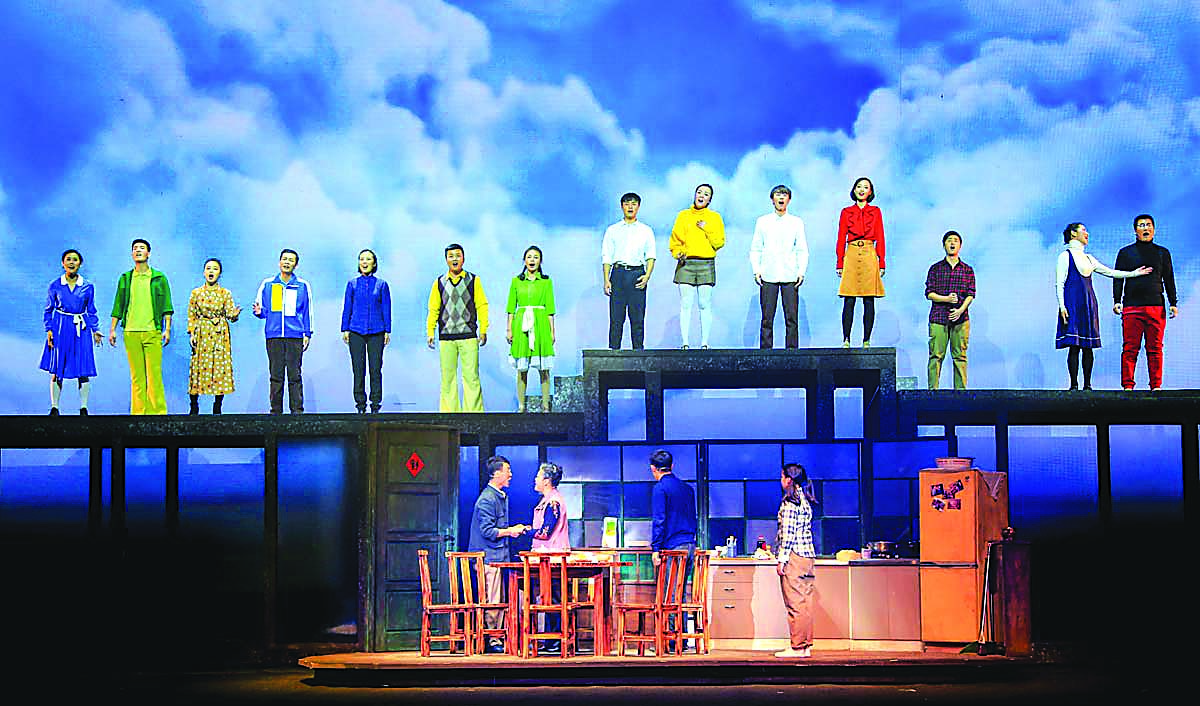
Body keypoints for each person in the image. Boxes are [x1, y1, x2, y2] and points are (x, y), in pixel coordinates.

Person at [1056, 223, 1151, 390]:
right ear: (1073, 234)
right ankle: (1073, 385)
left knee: (1088, 346)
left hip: (1088, 304)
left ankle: (1087, 385)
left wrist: (1134, 273)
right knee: (1074, 346)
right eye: (1083, 230)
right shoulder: (1065, 256)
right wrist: (1062, 306)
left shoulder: (1089, 258)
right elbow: (1060, 283)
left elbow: (1111, 272)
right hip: (1072, 304)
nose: (1087, 233)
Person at [469, 456, 530, 654]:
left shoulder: (500, 496)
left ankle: (500, 636)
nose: (510, 474)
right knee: (493, 599)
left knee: (501, 597)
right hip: (489, 558)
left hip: (499, 557)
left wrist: (513, 529)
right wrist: (509, 531)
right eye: (507, 470)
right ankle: (492, 639)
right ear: (496, 474)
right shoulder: (487, 499)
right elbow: (487, 531)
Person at [1113, 214, 1178, 390]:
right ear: (1135, 231)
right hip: (1131, 306)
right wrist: (1117, 300)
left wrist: (1173, 302)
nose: (1145, 228)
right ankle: (1128, 386)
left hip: (1156, 306)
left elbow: (1169, 278)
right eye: (1141, 225)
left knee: (1155, 348)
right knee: (1130, 348)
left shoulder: (1162, 253)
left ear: (1154, 230)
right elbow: (1118, 277)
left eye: (1148, 225)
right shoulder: (1125, 252)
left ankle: (1156, 386)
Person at [109, 238, 173, 415]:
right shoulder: (126, 278)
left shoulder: (159, 278)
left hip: (152, 331)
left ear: (148, 253)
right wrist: (112, 329)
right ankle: (138, 415)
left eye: (142, 248)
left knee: (154, 375)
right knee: (137, 377)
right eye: (135, 248)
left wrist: (167, 329)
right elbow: (118, 305)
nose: (138, 250)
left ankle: (158, 414)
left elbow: (167, 306)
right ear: (132, 254)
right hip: (130, 332)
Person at [427, 243, 489, 412]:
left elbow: (482, 305)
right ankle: (449, 414)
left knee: (471, 377)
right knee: (448, 378)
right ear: (446, 259)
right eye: (451, 256)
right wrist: (430, 331)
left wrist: (483, 329)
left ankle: (474, 415)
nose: (454, 259)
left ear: (463, 258)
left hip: (469, 336)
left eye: (458, 255)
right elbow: (434, 309)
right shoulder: (439, 282)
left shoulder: (473, 280)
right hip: (446, 337)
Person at [41, 249, 102, 415]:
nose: (71, 262)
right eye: (68, 259)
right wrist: (49, 330)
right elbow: (48, 310)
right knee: (57, 367)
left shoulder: (87, 286)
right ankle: (55, 407)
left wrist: (95, 329)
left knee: (83, 367)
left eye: (75, 259)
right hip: (60, 327)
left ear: (80, 264)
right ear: (63, 263)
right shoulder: (55, 285)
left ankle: (83, 407)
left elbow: (91, 310)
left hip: (81, 329)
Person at [252, 249, 313, 414]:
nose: (287, 262)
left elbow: (307, 311)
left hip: (295, 336)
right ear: (279, 262)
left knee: (295, 375)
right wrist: (259, 312)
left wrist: (307, 333)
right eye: (284, 259)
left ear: (296, 265)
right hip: (274, 336)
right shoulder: (268, 284)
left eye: (291, 260)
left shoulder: (302, 285)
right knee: (276, 375)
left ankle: (297, 411)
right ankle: (276, 411)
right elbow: (262, 309)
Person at [750, 184, 809, 348]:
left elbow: (802, 249)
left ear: (789, 200)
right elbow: (756, 248)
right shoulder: (763, 221)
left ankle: (792, 351)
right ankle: (766, 352)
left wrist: (801, 271)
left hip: (790, 274)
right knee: (767, 318)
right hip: (768, 274)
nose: (781, 197)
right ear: (772, 199)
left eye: (784, 195)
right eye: (777, 194)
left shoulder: (796, 222)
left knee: (792, 318)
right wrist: (756, 270)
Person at [669, 184, 725, 349]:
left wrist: (706, 228)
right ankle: (685, 343)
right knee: (686, 303)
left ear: (710, 200)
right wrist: (678, 253)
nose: (701, 196)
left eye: (706, 194)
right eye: (699, 192)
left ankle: (704, 343)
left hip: (706, 263)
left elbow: (719, 242)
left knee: (704, 303)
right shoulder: (683, 215)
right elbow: (675, 241)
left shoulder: (714, 217)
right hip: (686, 263)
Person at [774, 462, 818, 659]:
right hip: (807, 556)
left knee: (795, 604)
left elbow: (788, 535)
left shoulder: (791, 503)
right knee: (805, 603)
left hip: (795, 556)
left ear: (789, 480)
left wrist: (782, 560)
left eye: (782, 476)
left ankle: (798, 647)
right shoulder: (805, 499)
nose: (781, 480)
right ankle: (805, 645)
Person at [602, 192, 656, 349]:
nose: (630, 207)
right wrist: (606, 280)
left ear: (638, 206)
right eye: (627, 204)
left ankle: (638, 352)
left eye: (633, 204)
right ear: (622, 206)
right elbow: (607, 256)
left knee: (637, 317)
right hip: (618, 274)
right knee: (616, 318)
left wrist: (647, 276)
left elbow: (651, 255)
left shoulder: (646, 230)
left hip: (637, 274)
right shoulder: (612, 230)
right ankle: (613, 353)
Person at [186, 258, 240, 415]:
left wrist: (235, 315)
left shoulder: (225, 293)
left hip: (219, 334)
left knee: (220, 367)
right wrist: (192, 333)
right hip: (202, 333)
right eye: (208, 268)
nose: (211, 271)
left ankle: (218, 406)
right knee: (198, 367)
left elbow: (230, 315)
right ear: (204, 272)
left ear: (220, 273)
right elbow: (192, 315)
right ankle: (194, 405)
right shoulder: (196, 293)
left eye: (215, 269)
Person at [836, 177, 885, 347]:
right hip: (851, 253)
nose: (862, 190)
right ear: (854, 189)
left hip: (869, 253)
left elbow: (880, 236)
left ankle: (866, 340)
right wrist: (840, 262)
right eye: (859, 186)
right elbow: (841, 237)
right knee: (849, 299)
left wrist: (882, 262)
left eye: (865, 187)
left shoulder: (876, 211)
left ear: (870, 192)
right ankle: (846, 339)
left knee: (869, 299)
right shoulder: (846, 212)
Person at [340, 249, 392, 413]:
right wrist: (345, 328)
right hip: (356, 331)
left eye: (368, 259)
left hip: (377, 332)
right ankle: (360, 405)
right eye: (361, 259)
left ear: (374, 263)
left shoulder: (382, 285)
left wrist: (387, 330)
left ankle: (375, 404)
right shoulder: (352, 284)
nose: (364, 262)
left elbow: (386, 308)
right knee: (358, 369)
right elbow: (347, 307)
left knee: (375, 369)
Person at [506, 246, 556, 412]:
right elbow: (511, 308)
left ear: (540, 261)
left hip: (540, 324)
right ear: (524, 260)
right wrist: (509, 329)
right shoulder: (516, 281)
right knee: (522, 368)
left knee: (544, 368)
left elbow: (550, 309)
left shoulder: (546, 282)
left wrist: (552, 331)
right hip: (521, 326)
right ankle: (521, 406)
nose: (532, 260)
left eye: (535, 257)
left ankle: (545, 405)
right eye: (529, 257)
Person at [925, 231, 976, 390]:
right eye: (949, 240)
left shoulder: (967, 270)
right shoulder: (935, 268)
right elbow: (929, 293)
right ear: (944, 245)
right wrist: (946, 299)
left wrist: (960, 310)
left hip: (961, 319)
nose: (952, 243)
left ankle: (960, 392)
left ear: (960, 245)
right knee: (936, 355)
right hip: (938, 318)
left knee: (960, 356)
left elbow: (971, 294)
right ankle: (933, 391)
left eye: (955, 241)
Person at [529, 461, 568, 653]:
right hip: (547, 558)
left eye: (538, 476)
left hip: (553, 558)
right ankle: (551, 639)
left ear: (546, 480)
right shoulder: (547, 500)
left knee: (554, 598)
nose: (535, 479)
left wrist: (524, 531)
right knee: (550, 596)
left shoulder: (554, 501)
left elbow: (545, 532)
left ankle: (555, 640)